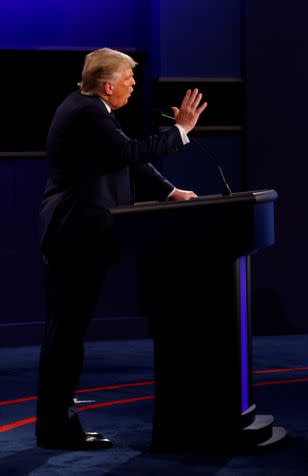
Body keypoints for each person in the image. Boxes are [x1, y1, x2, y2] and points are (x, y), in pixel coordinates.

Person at [36, 48, 207, 450]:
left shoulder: (91, 110)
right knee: (66, 335)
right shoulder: (87, 112)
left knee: (67, 333)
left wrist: (170, 192)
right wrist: (180, 131)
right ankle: (56, 428)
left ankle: (56, 424)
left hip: (78, 234)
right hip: (74, 234)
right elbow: (130, 153)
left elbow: (126, 160)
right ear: (108, 85)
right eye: (129, 79)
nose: (133, 84)